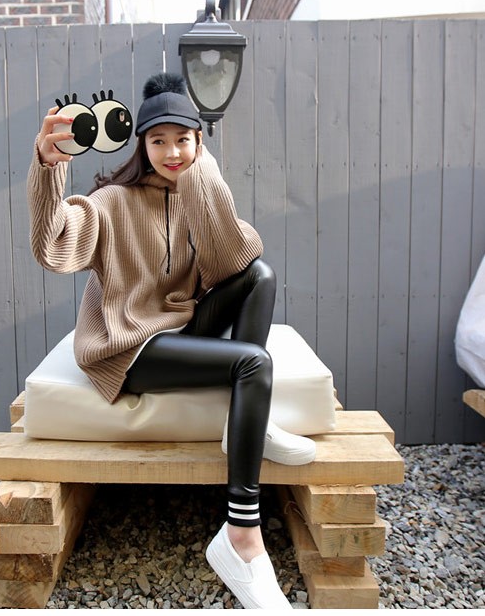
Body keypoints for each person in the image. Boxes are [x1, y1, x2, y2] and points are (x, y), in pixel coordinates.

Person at [28, 72, 315, 609]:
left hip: (178, 328)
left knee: (261, 274)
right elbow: (53, 246)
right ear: (141, 144)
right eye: (158, 140)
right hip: (127, 347)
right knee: (253, 363)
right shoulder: (111, 202)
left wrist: (201, 179)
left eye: (183, 139)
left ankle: (240, 424)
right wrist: (49, 169)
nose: (172, 152)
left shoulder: (193, 191)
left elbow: (236, 258)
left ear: (199, 142)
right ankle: (241, 536)